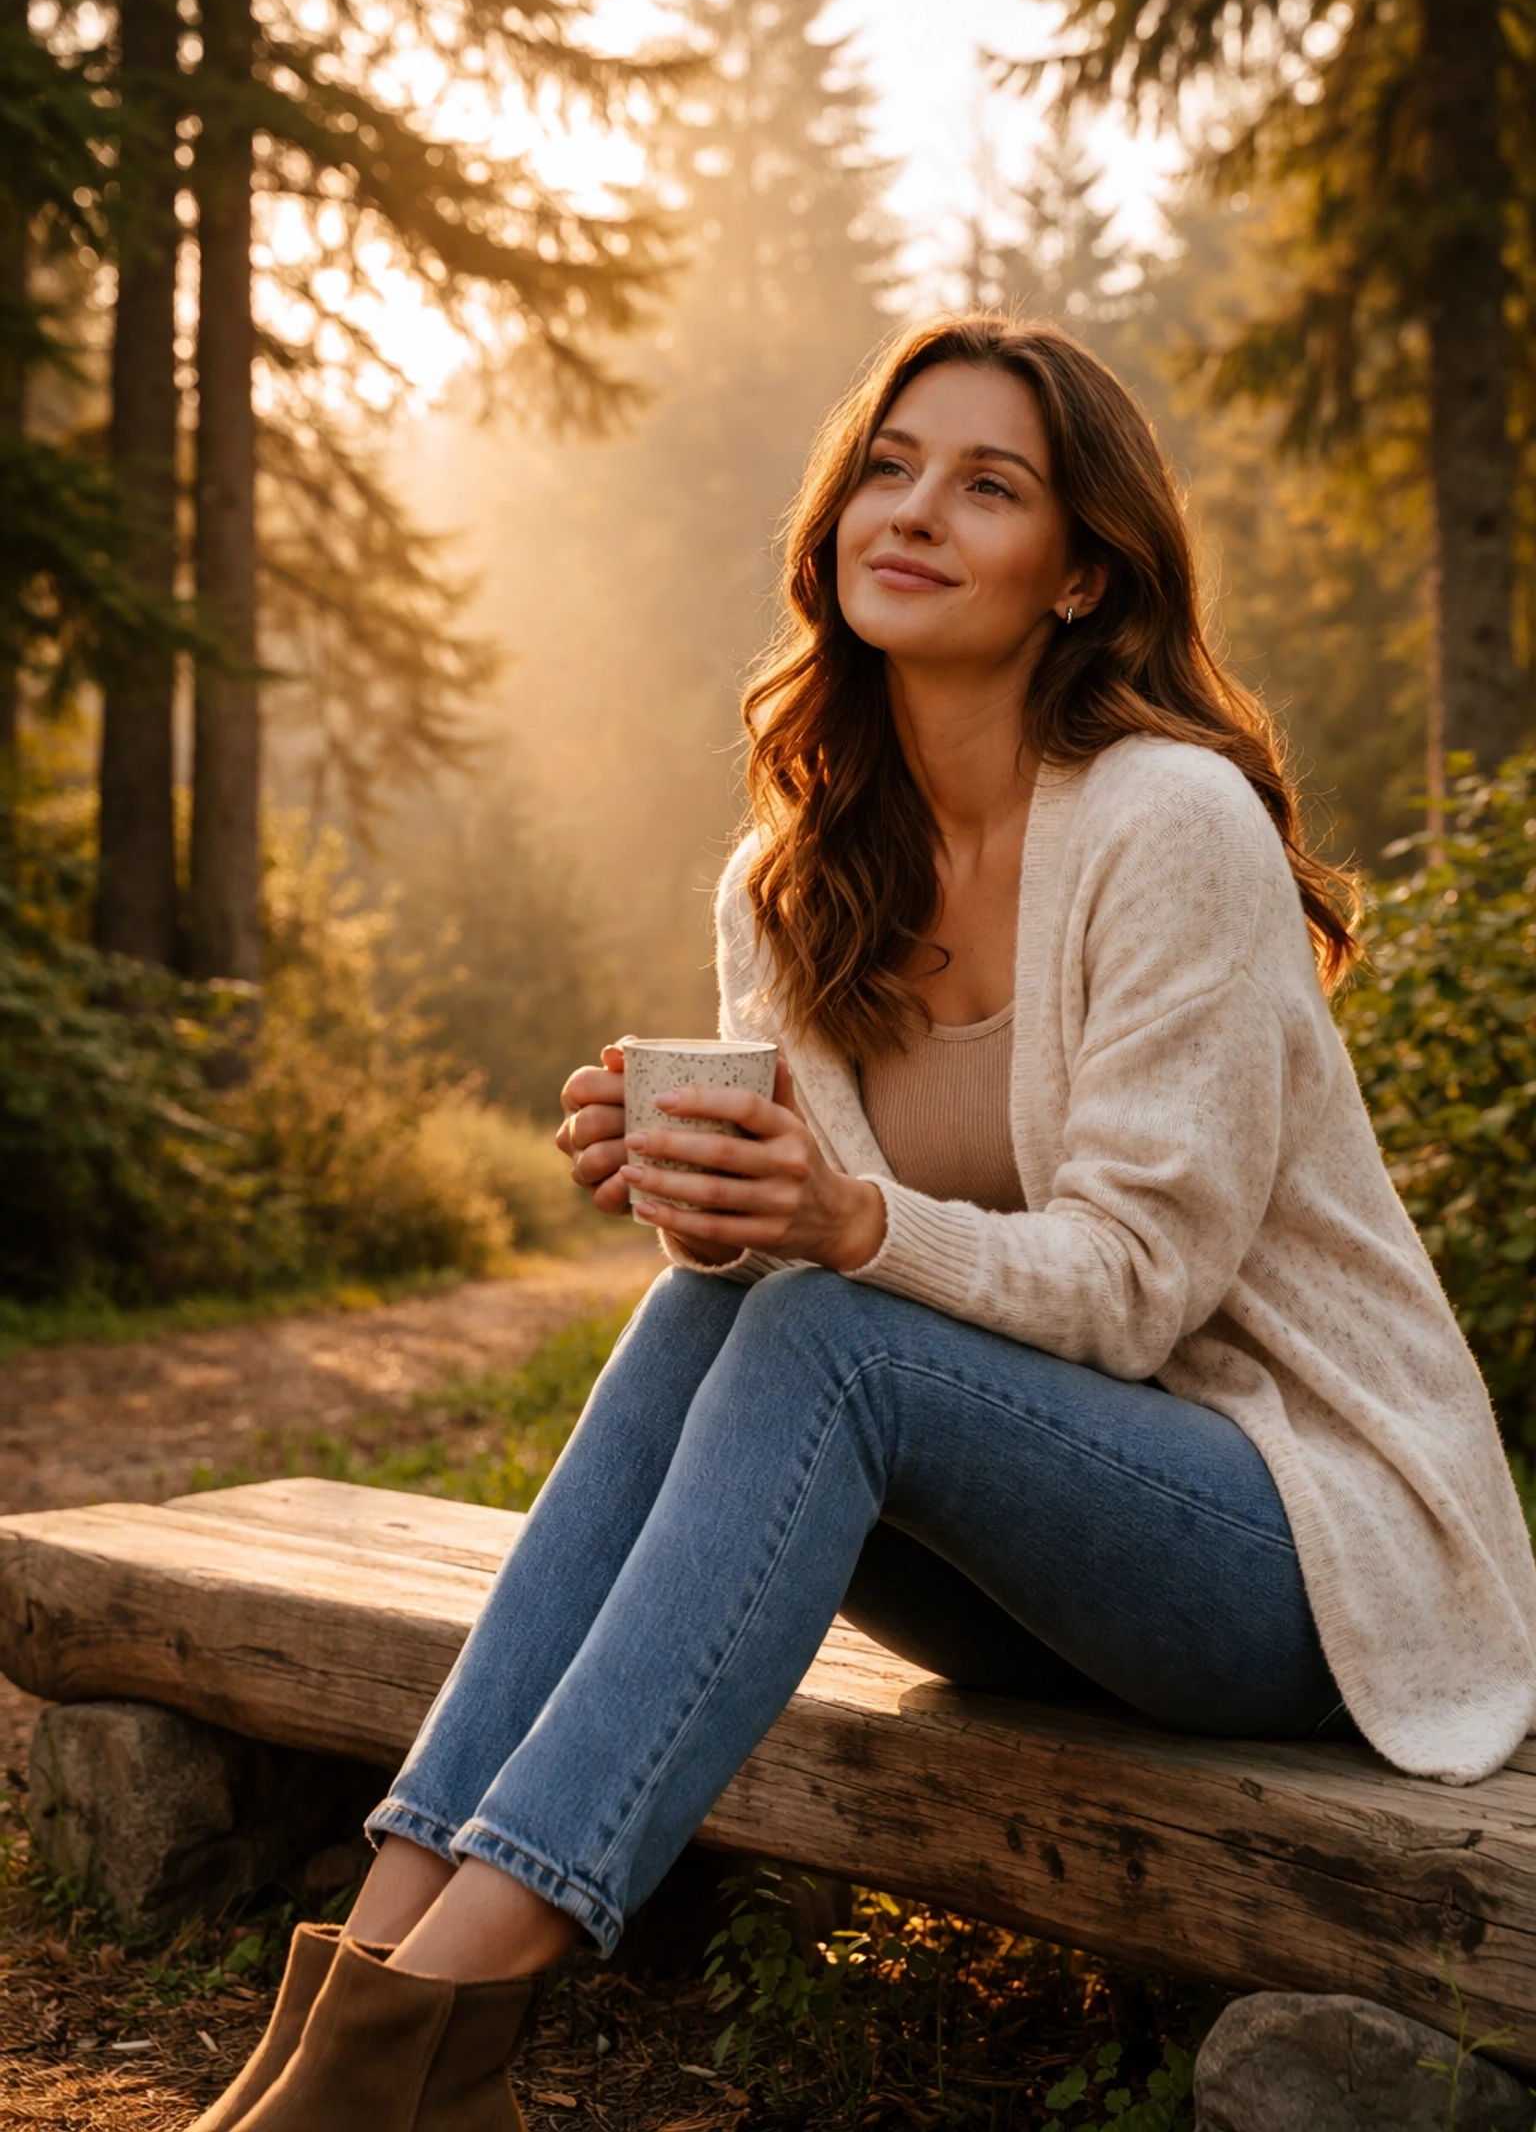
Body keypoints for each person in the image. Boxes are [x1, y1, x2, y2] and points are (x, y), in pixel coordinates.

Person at [188, 317, 1536, 2132]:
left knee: (827, 1323)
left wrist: (835, 1225)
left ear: (1079, 574)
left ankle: (424, 2033)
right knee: (711, 1318)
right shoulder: (798, 867)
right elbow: (805, 1276)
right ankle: (367, 1994)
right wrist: (705, 1201)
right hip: (1029, 1566)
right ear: (830, 526)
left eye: (989, 486)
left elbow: (1132, 1293)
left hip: (1298, 1552)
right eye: (889, 467)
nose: (913, 510)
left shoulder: (1168, 820)